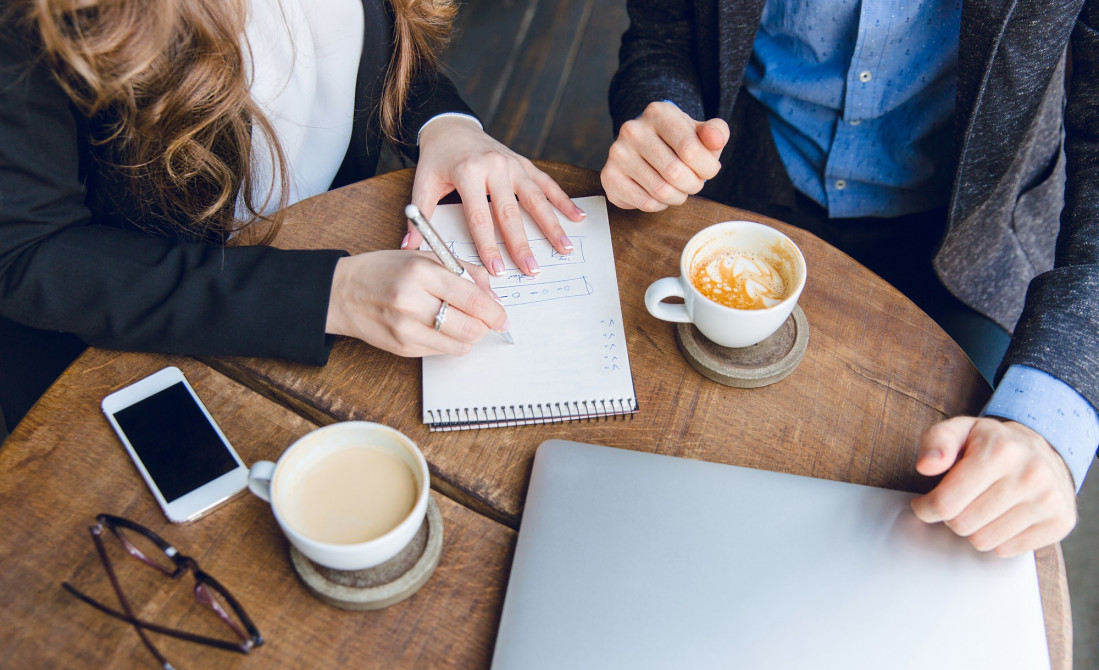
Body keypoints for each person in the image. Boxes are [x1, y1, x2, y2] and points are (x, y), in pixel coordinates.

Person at [602, 0, 1098, 557]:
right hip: (741, 191)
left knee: (943, 521)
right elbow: (662, 37)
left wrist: (1052, 419)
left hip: (972, 242)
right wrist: (662, 120)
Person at [0, 0, 585, 440]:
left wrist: (445, 125)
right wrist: (331, 295)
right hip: (140, 343)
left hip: (343, 255)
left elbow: (357, 45)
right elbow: (28, 253)